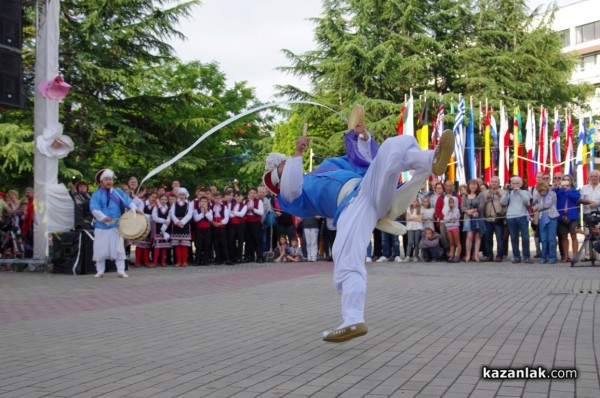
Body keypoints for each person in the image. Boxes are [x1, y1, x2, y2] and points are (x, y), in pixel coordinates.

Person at [262, 129, 455, 342]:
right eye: (282, 167)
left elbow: (361, 160)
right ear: (279, 179)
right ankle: (353, 318)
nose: (286, 164)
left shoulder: (325, 166)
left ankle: (431, 158)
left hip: (367, 190)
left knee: (391, 146)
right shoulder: (291, 196)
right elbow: (291, 187)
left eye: (285, 162)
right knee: (347, 258)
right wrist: (298, 153)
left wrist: (363, 139)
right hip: (351, 208)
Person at [90, 169, 143, 278]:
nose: (109, 182)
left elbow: (128, 201)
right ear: (101, 181)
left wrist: (134, 208)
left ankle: (121, 271)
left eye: (110, 179)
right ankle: (100, 271)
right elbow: (94, 208)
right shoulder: (97, 194)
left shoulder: (118, 193)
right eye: (106, 179)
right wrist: (102, 217)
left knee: (119, 249)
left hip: (115, 226)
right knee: (100, 249)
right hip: (101, 226)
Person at [501, 176, 533, 263]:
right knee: (514, 238)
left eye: (517, 183)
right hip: (511, 217)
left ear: (520, 184)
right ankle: (516, 256)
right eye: (513, 183)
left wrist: (519, 192)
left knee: (525, 237)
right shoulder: (509, 193)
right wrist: (507, 192)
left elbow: (527, 202)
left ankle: (526, 256)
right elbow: (503, 202)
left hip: (522, 216)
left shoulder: (525, 192)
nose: (515, 185)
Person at [532, 182, 559, 264]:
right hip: (542, 218)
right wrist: (535, 207)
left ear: (545, 189)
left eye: (541, 191)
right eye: (539, 191)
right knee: (543, 239)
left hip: (552, 218)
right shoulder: (538, 195)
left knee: (551, 239)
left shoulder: (552, 194)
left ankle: (552, 257)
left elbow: (547, 205)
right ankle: (543, 257)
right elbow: (534, 204)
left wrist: (538, 208)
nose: (540, 193)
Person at [462, 179, 486, 262]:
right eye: (471, 184)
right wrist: (468, 211)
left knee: (477, 236)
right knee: (469, 236)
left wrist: (474, 211)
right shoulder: (465, 195)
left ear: (477, 186)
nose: (473, 186)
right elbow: (463, 206)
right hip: (468, 218)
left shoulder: (481, 195)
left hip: (478, 217)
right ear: (468, 186)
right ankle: (468, 255)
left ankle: (476, 255)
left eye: (475, 184)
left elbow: (481, 206)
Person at [483, 176, 505, 262]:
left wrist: (500, 197)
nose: (494, 183)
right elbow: (481, 205)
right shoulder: (485, 193)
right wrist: (486, 199)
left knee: (499, 238)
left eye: (496, 182)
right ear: (490, 183)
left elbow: (505, 204)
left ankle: (499, 255)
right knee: (488, 238)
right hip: (488, 218)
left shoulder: (503, 192)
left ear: (499, 183)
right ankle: (489, 255)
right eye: (492, 181)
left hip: (498, 218)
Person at [169, 187, 194, 267]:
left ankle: (184, 261)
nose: (182, 196)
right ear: (178, 195)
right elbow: (172, 214)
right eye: (180, 194)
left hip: (185, 225)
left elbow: (189, 214)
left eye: (183, 194)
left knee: (184, 245)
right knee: (178, 245)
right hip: (176, 225)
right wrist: (177, 222)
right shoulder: (174, 204)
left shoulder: (189, 204)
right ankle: (179, 261)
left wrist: (182, 222)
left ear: (186, 195)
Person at [152, 193, 171, 267]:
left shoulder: (169, 208)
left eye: (165, 199)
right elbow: (155, 218)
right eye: (162, 199)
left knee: (164, 246)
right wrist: (164, 221)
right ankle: (155, 262)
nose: (164, 201)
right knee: (157, 246)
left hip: (165, 228)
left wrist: (163, 229)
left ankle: (163, 261)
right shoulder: (156, 207)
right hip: (158, 228)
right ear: (159, 200)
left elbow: (169, 219)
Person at [443, 197, 462, 262]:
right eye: (450, 202)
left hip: (455, 227)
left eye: (452, 202)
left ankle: (457, 255)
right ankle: (451, 255)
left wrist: (449, 219)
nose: (451, 204)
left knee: (457, 242)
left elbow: (454, 219)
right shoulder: (447, 210)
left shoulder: (457, 210)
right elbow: (445, 219)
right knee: (451, 242)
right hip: (448, 227)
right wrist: (449, 219)